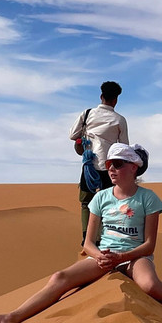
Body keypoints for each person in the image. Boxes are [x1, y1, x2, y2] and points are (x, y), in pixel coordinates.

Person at [0, 142, 162, 323]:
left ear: (133, 167)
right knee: (60, 277)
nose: (111, 169)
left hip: (135, 257)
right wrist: (100, 256)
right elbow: (88, 242)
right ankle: (10, 319)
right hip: (104, 256)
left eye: (118, 164)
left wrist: (122, 256)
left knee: (149, 285)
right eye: (109, 164)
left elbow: (149, 244)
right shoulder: (100, 198)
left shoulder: (148, 199)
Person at [69, 81, 129, 242]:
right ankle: (104, 238)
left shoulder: (88, 114)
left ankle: (85, 238)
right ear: (116, 100)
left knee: (86, 202)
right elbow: (124, 147)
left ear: (101, 96)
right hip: (110, 167)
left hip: (89, 165)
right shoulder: (120, 120)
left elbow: (72, 134)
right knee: (109, 203)